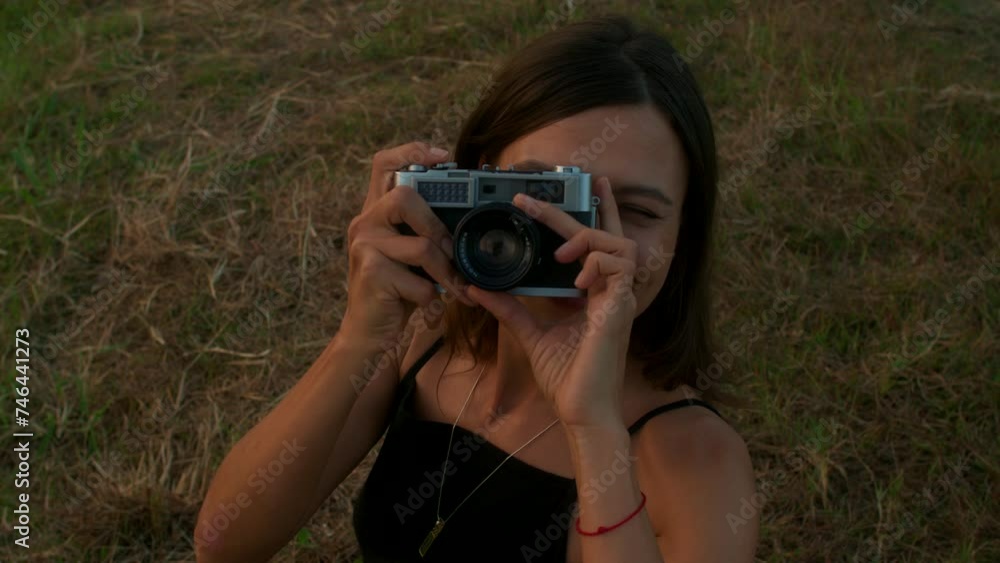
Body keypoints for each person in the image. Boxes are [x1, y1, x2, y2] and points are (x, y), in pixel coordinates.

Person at [195, 14, 759, 563]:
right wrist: (358, 339)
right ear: (479, 183)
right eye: (545, 193)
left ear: (685, 231)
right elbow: (224, 546)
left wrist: (595, 429)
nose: (580, 241)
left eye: (632, 211)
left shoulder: (698, 464)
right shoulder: (426, 339)